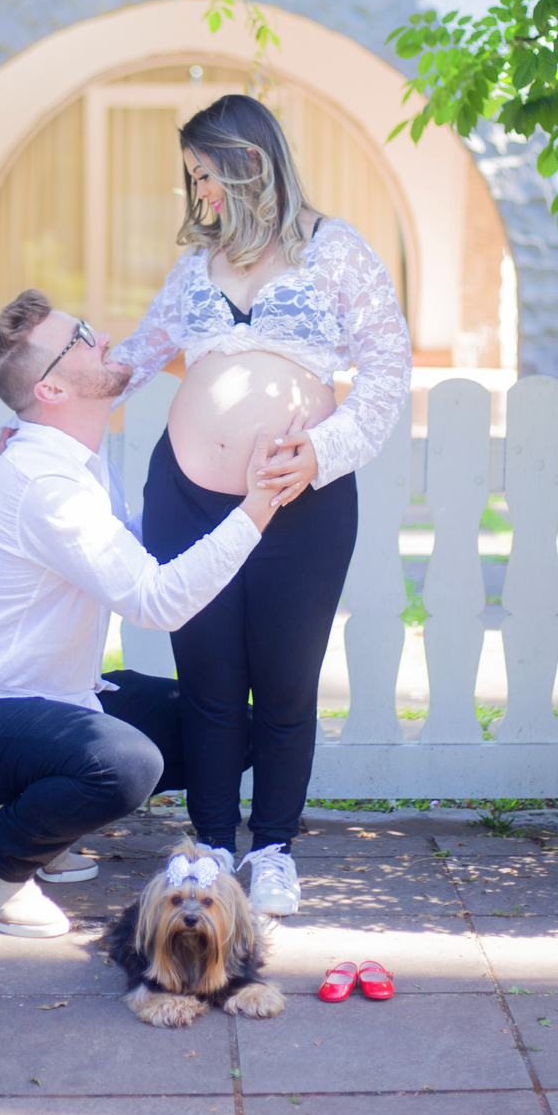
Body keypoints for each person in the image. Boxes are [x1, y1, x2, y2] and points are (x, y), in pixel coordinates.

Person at [109, 94, 411, 918]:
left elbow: (386, 375)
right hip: (187, 498)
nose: (197, 194)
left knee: (284, 683)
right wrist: (48, 402)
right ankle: (209, 846)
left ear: (248, 164)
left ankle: (272, 848)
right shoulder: (194, 266)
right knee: (206, 679)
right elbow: (137, 357)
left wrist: (321, 452)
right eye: (191, 179)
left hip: (298, 503)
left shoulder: (336, 252)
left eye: (204, 175)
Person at [0, 288, 281, 940]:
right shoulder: (46, 484)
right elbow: (154, 599)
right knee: (126, 765)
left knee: (228, 729)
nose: (103, 338)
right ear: (53, 388)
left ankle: (47, 831)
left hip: (62, 698)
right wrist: (257, 508)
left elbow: (128, 546)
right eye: (81, 336)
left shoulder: (77, 461)